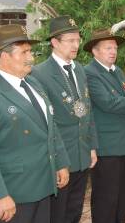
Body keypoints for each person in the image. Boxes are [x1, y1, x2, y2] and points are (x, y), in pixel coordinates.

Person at [0, 24, 70, 223]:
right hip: (14, 193)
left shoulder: (33, 83)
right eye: (24, 52)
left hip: (43, 185)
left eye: (30, 51)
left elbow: (50, 127)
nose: (31, 57)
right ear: (4, 56)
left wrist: (61, 162)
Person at [31, 16, 98, 223]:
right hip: (61, 157)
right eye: (70, 40)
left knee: (75, 209)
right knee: (58, 213)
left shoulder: (79, 69)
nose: (76, 45)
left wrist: (92, 146)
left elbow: (87, 110)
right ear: (55, 42)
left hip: (81, 152)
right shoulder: (39, 74)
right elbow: (45, 122)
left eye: (78, 40)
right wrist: (59, 160)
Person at [84, 29, 125, 223]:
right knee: (105, 199)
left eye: (115, 48)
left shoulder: (117, 71)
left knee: (122, 197)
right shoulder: (90, 73)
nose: (113, 51)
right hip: (108, 147)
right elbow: (108, 102)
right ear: (95, 51)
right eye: (108, 48)